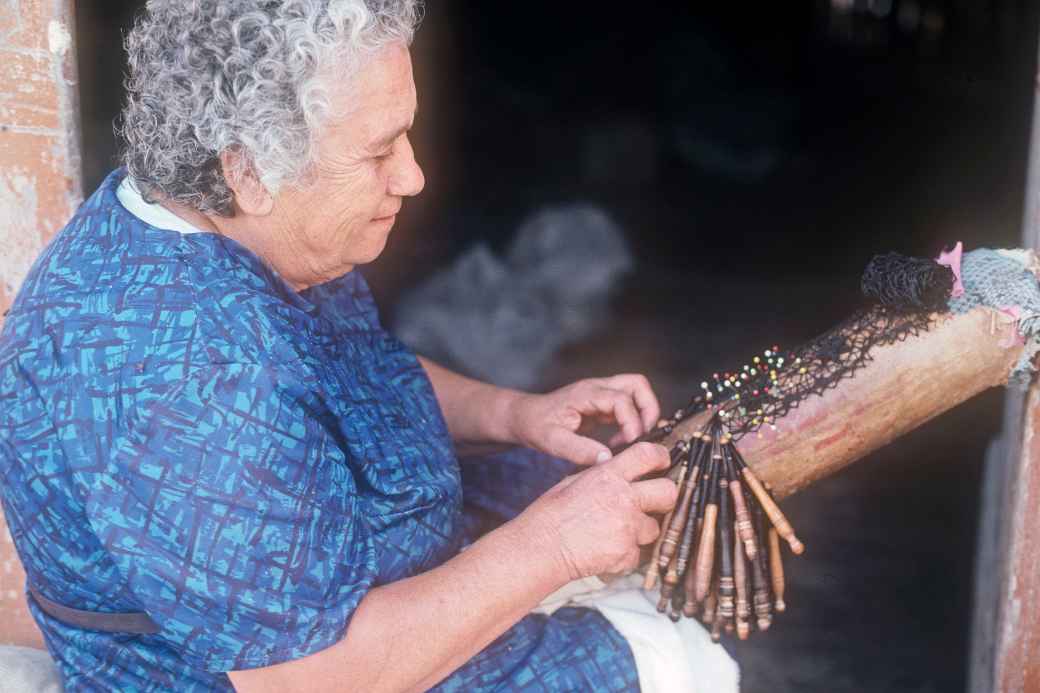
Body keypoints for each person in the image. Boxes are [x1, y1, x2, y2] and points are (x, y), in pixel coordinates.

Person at [0, 1, 737, 690]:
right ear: (247, 172)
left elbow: (359, 375)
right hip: (305, 665)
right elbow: (309, 676)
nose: (412, 177)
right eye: (379, 152)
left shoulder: (219, 221)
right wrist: (555, 547)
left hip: (365, 549)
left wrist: (516, 414)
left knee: (610, 475)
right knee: (680, 659)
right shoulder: (191, 378)